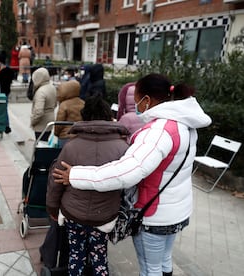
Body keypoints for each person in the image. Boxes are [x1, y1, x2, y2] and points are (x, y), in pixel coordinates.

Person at [52, 73, 212, 276]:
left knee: (150, 269)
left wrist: (75, 175)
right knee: (164, 262)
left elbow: (125, 173)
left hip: (155, 214)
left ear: (147, 100)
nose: (136, 106)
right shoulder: (185, 125)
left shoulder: (160, 131)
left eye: (137, 100)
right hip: (178, 210)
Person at [47, 94, 129, 275]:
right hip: (105, 215)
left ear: (84, 116)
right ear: (109, 116)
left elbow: (56, 182)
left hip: (74, 213)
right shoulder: (122, 147)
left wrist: (52, 208)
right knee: (100, 256)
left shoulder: (71, 146)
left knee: (76, 255)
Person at [54, 80, 84, 147]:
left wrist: (56, 133)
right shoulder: (83, 103)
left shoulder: (64, 105)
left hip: (65, 136)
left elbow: (59, 123)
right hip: (81, 136)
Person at [30, 67, 57, 141]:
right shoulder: (52, 87)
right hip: (50, 120)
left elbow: (38, 111)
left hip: (41, 124)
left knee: (39, 145)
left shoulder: (40, 91)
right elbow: (55, 104)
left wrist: (33, 121)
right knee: (45, 143)